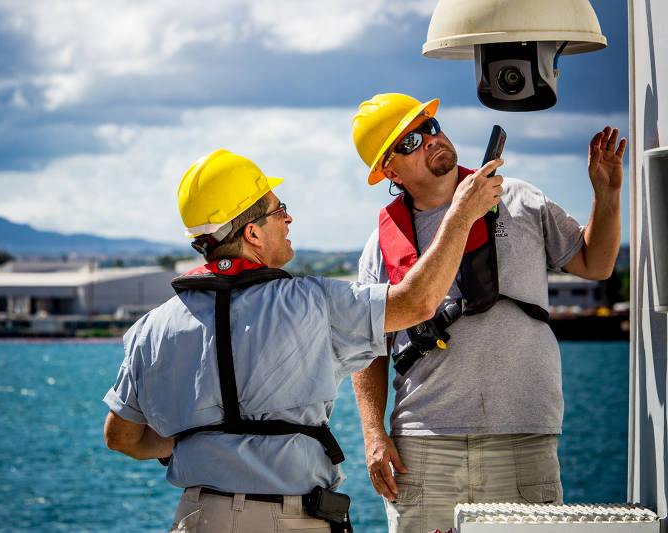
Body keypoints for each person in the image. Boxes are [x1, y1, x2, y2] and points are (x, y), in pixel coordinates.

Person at [102, 147, 502, 533]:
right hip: (289, 517)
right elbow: (418, 302)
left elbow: (120, 437)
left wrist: (204, 442)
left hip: (197, 517)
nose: (289, 218)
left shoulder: (150, 329)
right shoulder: (312, 301)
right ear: (253, 232)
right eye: (279, 210)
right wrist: (462, 214)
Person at [350, 93, 626, 533]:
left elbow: (596, 264)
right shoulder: (380, 246)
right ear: (390, 172)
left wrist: (607, 194)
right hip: (422, 447)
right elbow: (366, 349)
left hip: (523, 433)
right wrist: (372, 435)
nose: (429, 141)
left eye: (430, 127)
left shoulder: (520, 199)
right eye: (408, 143)